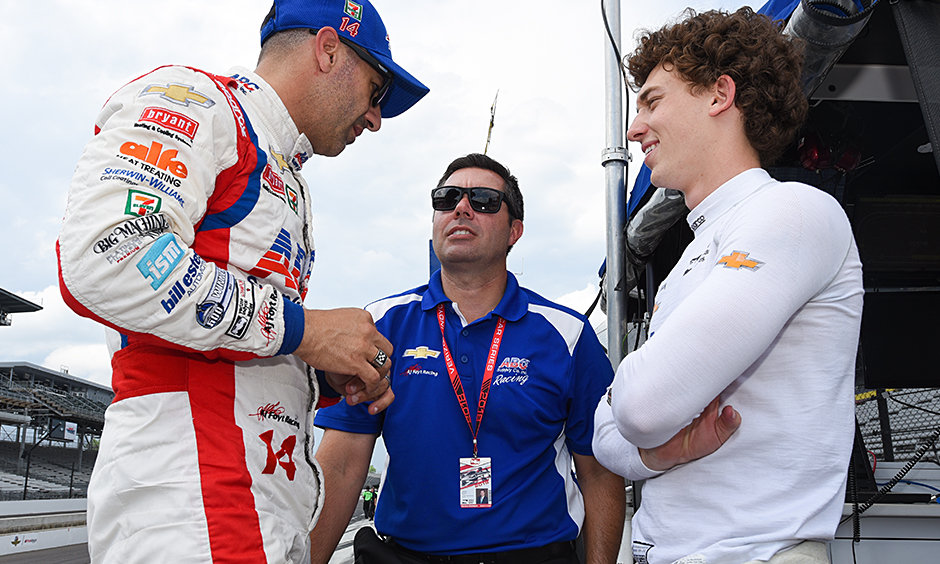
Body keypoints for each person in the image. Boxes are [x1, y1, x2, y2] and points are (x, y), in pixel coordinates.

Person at [55, 1, 428, 562]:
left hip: (260, 511)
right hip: (191, 510)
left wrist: (319, 372)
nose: (375, 118)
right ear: (328, 50)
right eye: (376, 92)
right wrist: (303, 330)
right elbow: (106, 254)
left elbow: (243, 338)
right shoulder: (195, 101)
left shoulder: (284, 170)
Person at [592, 8, 864, 564]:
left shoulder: (794, 211)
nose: (634, 128)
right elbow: (605, 437)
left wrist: (640, 410)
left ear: (719, 95)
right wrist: (669, 449)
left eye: (652, 101)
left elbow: (638, 408)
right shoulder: (693, 256)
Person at [310, 153, 627, 564]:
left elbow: (599, 471)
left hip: (532, 556)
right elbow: (342, 463)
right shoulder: (382, 325)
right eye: (447, 198)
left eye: (483, 200)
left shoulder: (568, 336)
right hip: (407, 556)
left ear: (515, 231)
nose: (461, 207)